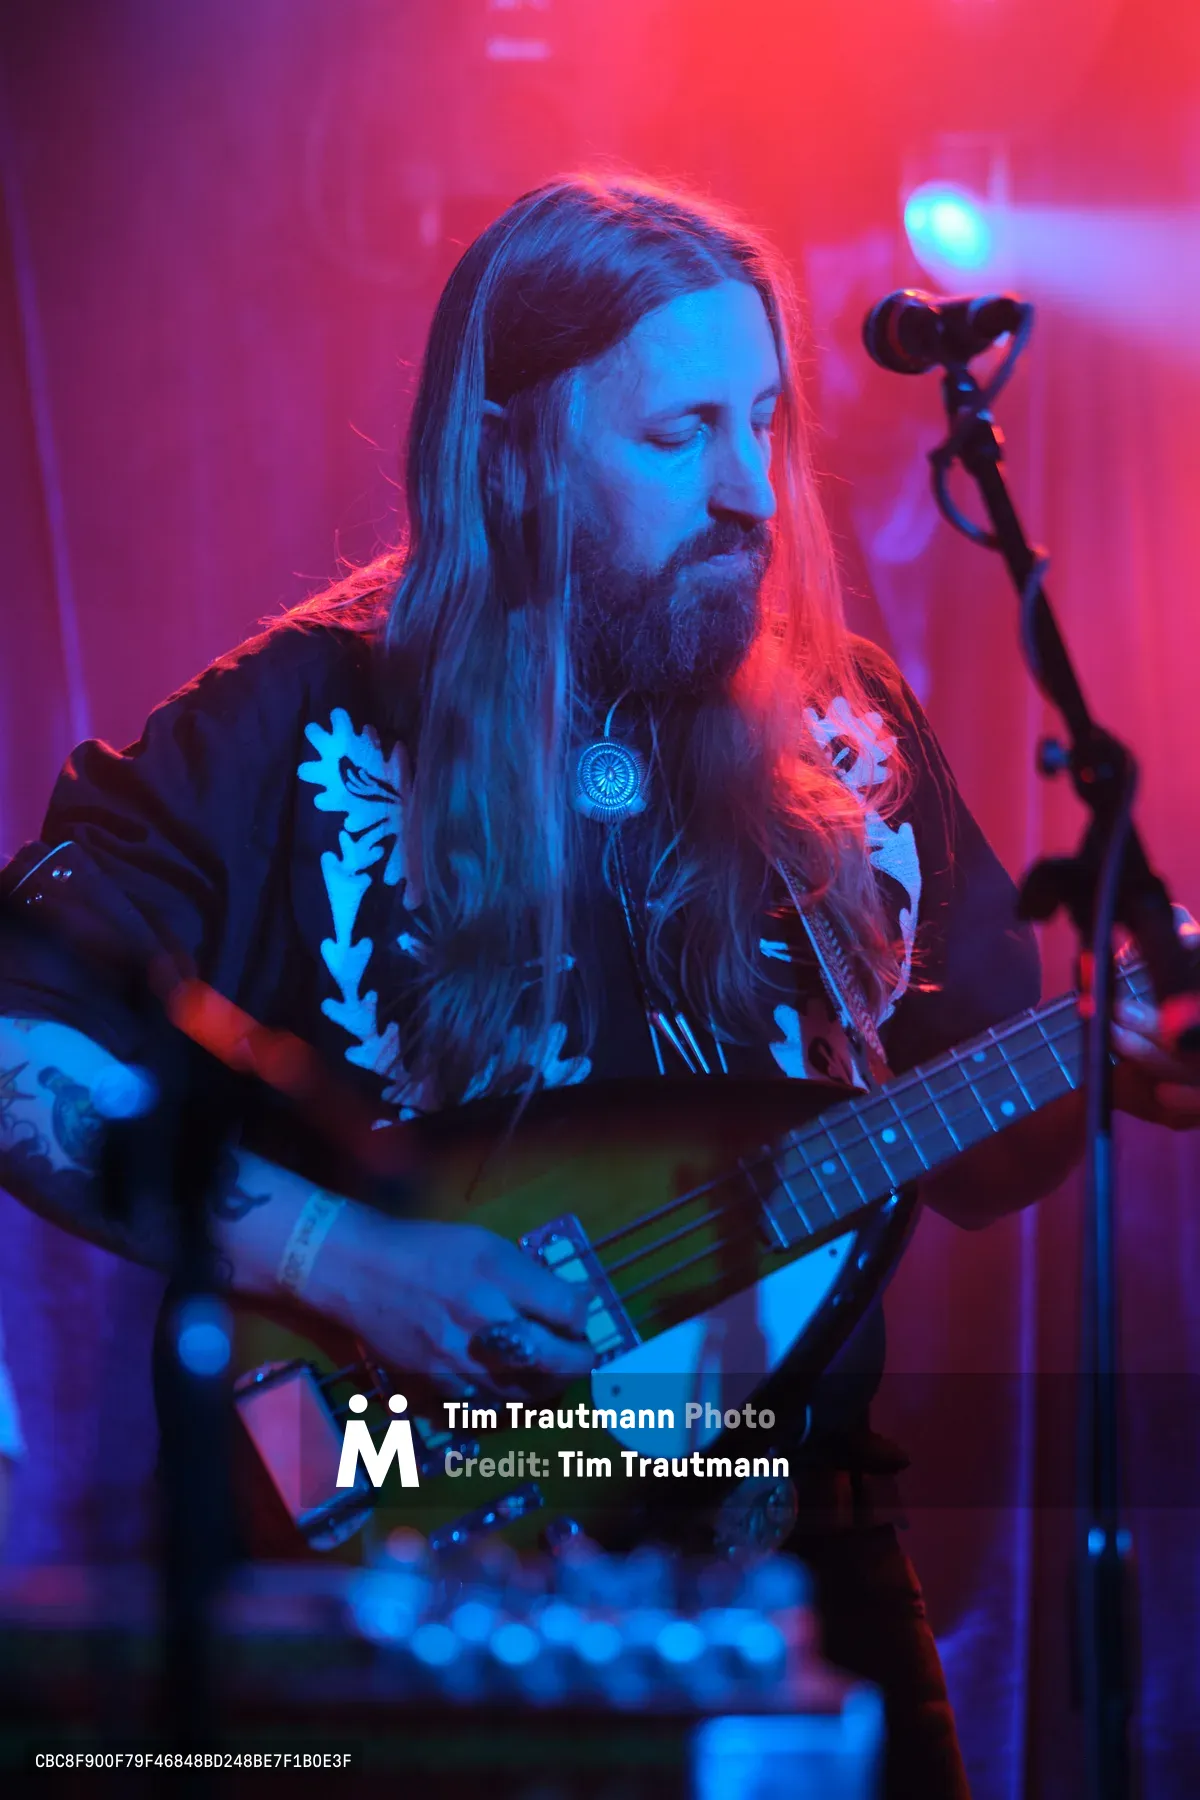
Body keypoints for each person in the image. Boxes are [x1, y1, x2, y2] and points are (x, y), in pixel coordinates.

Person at [0, 176, 1196, 1797]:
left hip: (800, 1560)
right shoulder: (304, 721)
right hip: (400, 1593)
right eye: (675, 433)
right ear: (517, 453)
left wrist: (1110, 1053)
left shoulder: (853, 747)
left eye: (763, 424)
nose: (746, 492)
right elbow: (24, 1027)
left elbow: (981, 1143)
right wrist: (339, 1257)